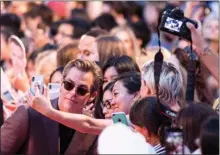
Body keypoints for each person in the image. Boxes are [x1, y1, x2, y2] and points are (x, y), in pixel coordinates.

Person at [1, 59, 103, 155]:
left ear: (92, 96)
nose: (73, 93)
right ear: (61, 83)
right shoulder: (28, 113)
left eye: (82, 90)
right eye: (69, 85)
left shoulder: (92, 130)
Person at [27, 72, 141, 135]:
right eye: (68, 85)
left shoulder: (144, 119)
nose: (112, 102)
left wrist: (49, 111)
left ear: (136, 95)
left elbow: (89, 125)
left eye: (116, 94)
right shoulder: (124, 121)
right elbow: (90, 125)